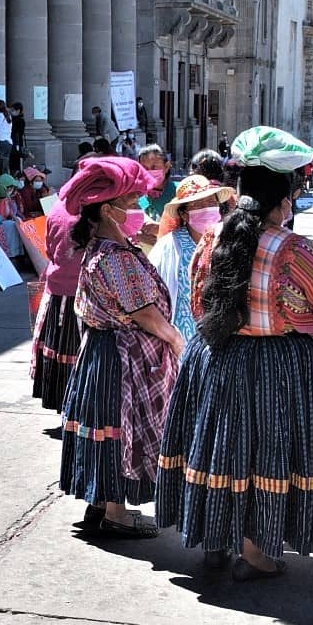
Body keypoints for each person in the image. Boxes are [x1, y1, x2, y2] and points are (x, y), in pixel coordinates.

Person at [156, 164, 313, 579]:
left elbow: (197, 305)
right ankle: (257, 552)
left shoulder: (211, 239)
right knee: (267, 453)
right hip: (278, 364)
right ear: (283, 204)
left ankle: (214, 539)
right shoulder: (294, 249)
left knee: (219, 448)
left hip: (216, 355)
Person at [58, 157, 183, 538]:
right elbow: (143, 311)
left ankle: (99, 504)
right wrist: (177, 340)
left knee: (105, 426)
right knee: (117, 428)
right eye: (130, 204)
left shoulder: (109, 249)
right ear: (108, 211)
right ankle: (115, 511)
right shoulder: (115, 258)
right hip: (118, 358)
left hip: (104, 353)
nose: (136, 211)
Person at [148, 175, 234, 341]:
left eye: (211, 203)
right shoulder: (169, 247)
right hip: (184, 339)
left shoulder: (227, 240)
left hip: (223, 337)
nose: (207, 208)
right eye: (198, 205)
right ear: (184, 214)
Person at [31, 196, 83, 413]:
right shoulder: (92, 213)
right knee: (77, 355)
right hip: (79, 295)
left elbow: (50, 250)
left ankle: (66, 409)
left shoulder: (57, 209)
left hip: (57, 292)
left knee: (63, 352)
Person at [9, 101, 27, 175]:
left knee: (16, 162)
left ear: (18, 110)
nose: (11, 112)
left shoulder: (20, 120)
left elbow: (20, 133)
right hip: (12, 142)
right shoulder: (11, 119)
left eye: (13, 110)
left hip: (17, 143)